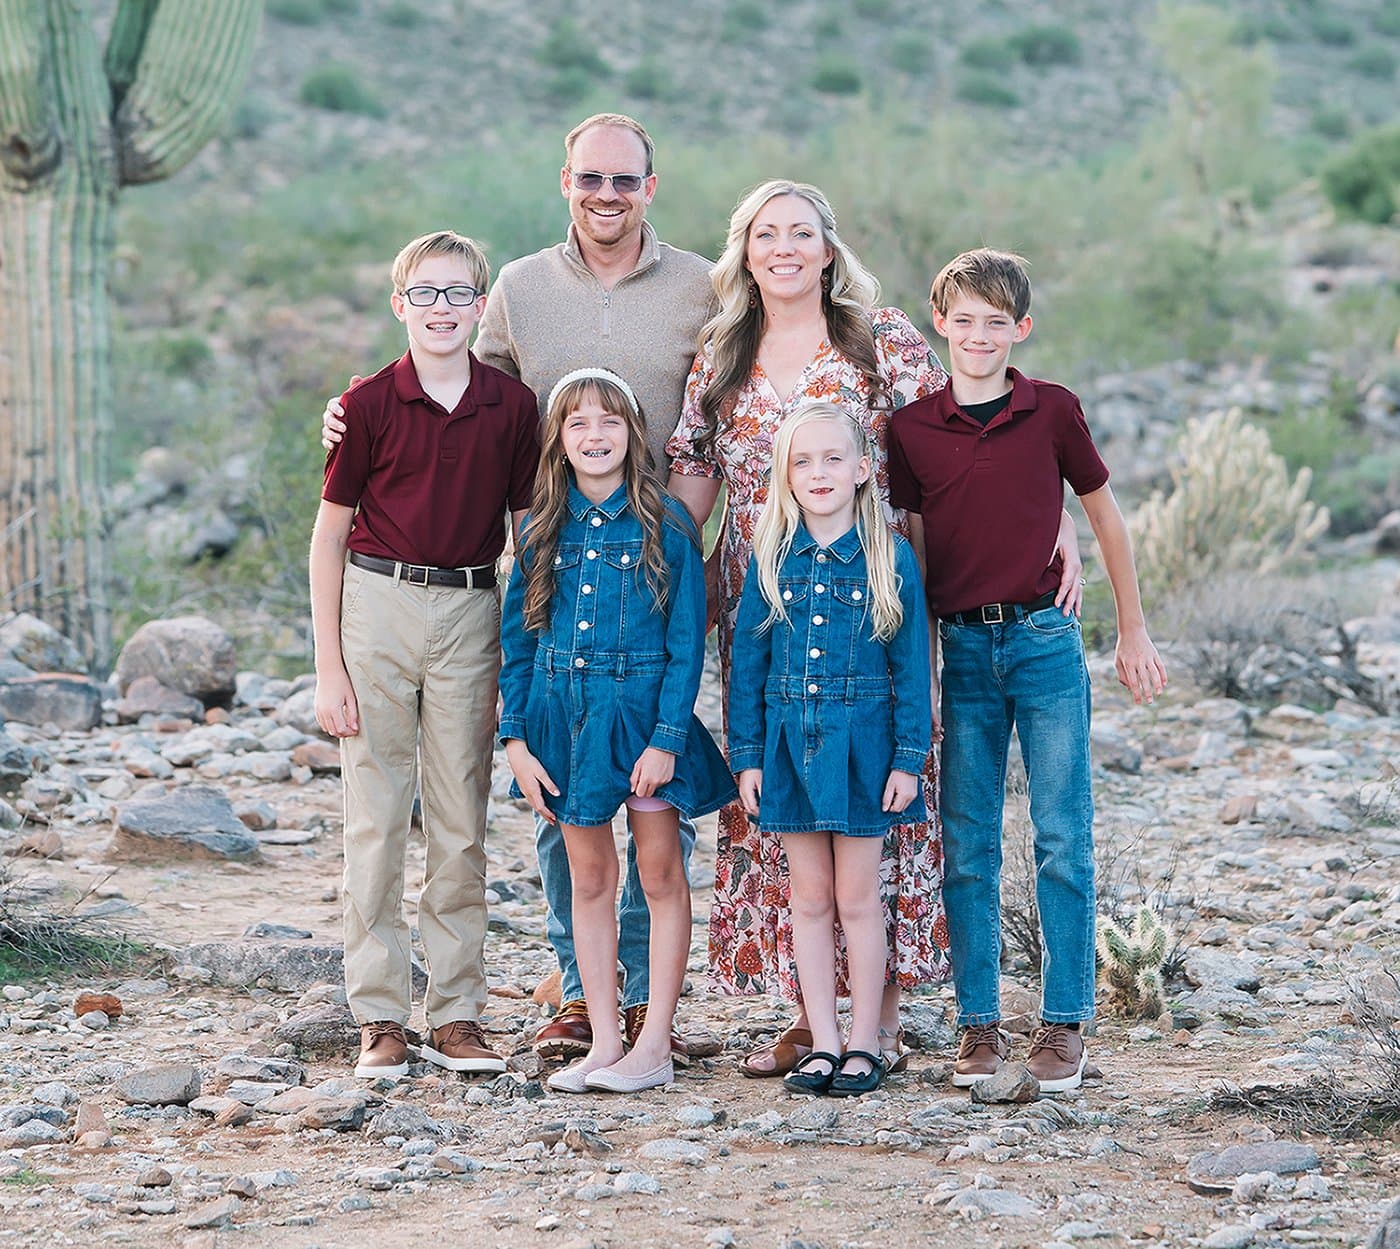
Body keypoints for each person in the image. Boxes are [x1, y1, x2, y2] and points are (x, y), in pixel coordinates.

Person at [321, 113, 712, 1063]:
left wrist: (684, 527)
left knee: (650, 803)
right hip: (545, 573)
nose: (607, 194)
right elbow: (462, 395)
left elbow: (725, 410)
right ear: (565, 182)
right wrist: (352, 410)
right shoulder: (521, 289)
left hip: (655, 568)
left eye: (624, 180)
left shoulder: (703, 285)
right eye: (591, 178)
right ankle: (578, 994)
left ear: (650, 187)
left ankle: (635, 1003)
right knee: (558, 794)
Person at [886, 248, 1167, 1093]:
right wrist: (922, 668)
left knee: (1061, 838)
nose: (979, 336)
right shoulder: (912, 429)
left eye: (996, 323)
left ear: (1022, 328)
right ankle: (977, 1024)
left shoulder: (1052, 411)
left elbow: (1105, 518)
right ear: (940, 321)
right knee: (967, 844)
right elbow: (917, 552)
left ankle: (1064, 1024)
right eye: (964, 320)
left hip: (1045, 642)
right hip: (964, 652)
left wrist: (1132, 630)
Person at [309, 230, 541, 1079]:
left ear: (480, 307)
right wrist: (330, 667)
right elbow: (329, 536)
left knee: (460, 818)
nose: (441, 308)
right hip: (378, 603)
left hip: (473, 607)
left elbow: (526, 534)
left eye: (457, 294)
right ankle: (378, 1015)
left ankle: (457, 1013)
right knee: (374, 818)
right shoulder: (368, 403)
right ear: (399, 304)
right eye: (425, 293)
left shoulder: (512, 407)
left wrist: (522, 657)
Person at [499, 368, 735, 1094]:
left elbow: (685, 646)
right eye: (578, 423)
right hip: (564, 725)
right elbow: (519, 645)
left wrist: (667, 739)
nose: (594, 435)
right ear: (558, 441)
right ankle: (603, 1041)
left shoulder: (668, 524)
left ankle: (653, 1040)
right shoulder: (540, 528)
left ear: (634, 434)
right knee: (590, 879)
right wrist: (516, 741)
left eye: (610, 421)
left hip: (643, 722)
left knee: (660, 874)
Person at [729, 405, 931, 1097]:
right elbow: (748, 668)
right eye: (803, 461)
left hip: (864, 747)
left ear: (862, 469)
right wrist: (748, 756)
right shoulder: (771, 557)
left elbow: (911, 666)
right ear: (785, 475)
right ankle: (822, 1039)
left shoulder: (889, 557)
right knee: (808, 898)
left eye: (833, 458)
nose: (819, 473)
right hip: (789, 745)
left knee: (859, 898)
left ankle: (867, 1041)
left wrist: (908, 758)